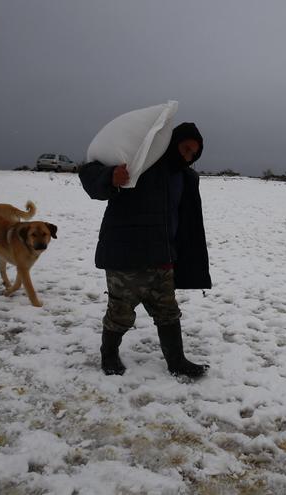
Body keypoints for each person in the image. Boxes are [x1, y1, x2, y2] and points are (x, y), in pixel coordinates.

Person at [79, 122, 211, 378]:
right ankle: (109, 356)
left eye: (193, 154)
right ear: (172, 142)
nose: (188, 156)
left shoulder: (184, 177)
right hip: (126, 256)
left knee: (168, 312)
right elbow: (89, 173)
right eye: (185, 149)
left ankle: (177, 362)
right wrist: (109, 177)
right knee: (120, 314)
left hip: (163, 259)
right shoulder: (140, 160)